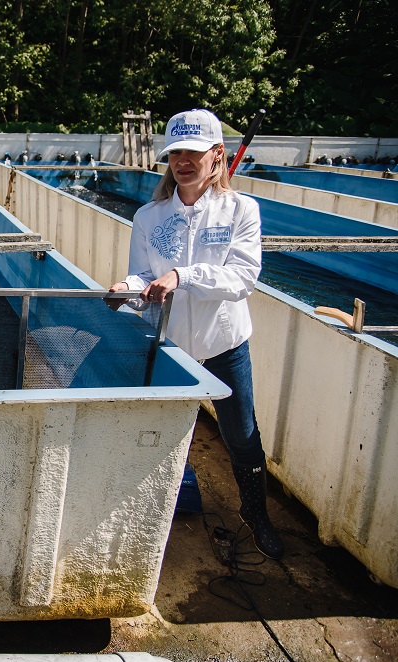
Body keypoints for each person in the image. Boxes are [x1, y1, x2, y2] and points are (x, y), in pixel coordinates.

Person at [106, 108, 284, 560]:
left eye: (194, 151)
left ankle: (255, 514)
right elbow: (142, 275)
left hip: (225, 344)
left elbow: (241, 278)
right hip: (170, 344)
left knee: (242, 434)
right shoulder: (149, 215)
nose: (183, 161)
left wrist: (183, 275)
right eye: (176, 152)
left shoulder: (242, 210)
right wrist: (124, 290)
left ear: (217, 154)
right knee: (162, 432)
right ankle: (154, 512)